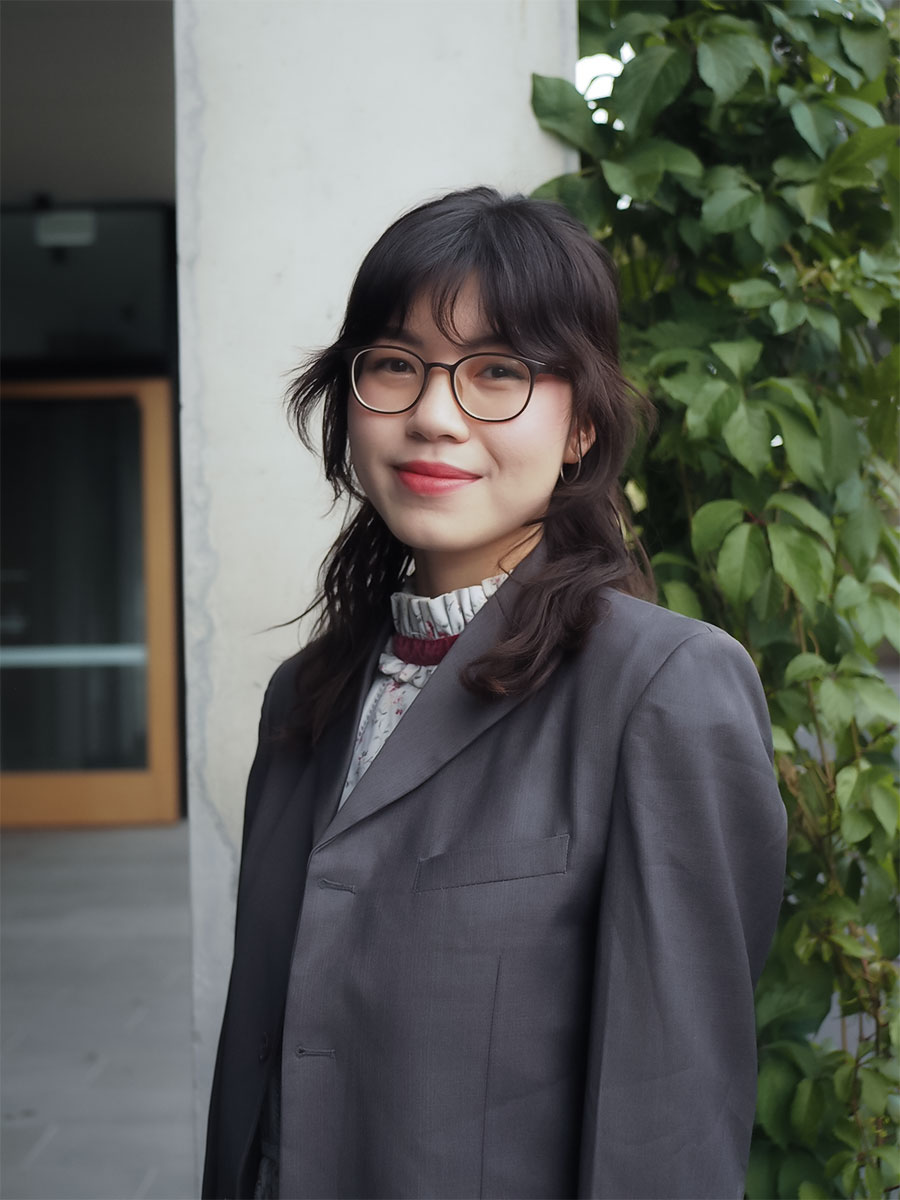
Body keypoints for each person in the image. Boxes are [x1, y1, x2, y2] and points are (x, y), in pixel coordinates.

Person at [202, 187, 786, 1200]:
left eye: (498, 373)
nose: (434, 416)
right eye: (394, 365)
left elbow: (669, 1121)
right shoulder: (308, 695)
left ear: (581, 428)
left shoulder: (662, 693)